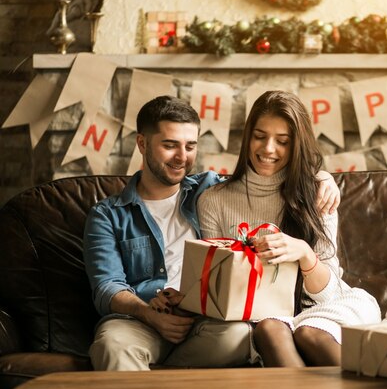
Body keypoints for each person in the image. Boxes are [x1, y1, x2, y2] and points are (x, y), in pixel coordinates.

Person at [83, 95, 340, 371]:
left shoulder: (207, 191)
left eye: (190, 146)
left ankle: (156, 382)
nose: (182, 157)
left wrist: (322, 178)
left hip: (203, 322)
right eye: (170, 145)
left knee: (242, 334)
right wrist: (148, 314)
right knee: (110, 345)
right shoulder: (108, 215)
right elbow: (106, 287)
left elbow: (264, 178)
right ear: (143, 144)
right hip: (140, 320)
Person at [197, 90, 381, 367]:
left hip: (325, 308)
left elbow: (328, 295)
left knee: (310, 334)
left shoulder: (317, 193)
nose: (269, 149)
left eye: (282, 141)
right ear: (247, 138)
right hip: (263, 316)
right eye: (260, 136)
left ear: (297, 145)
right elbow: (215, 287)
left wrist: (304, 253)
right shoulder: (214, 200)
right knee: (269, 329)